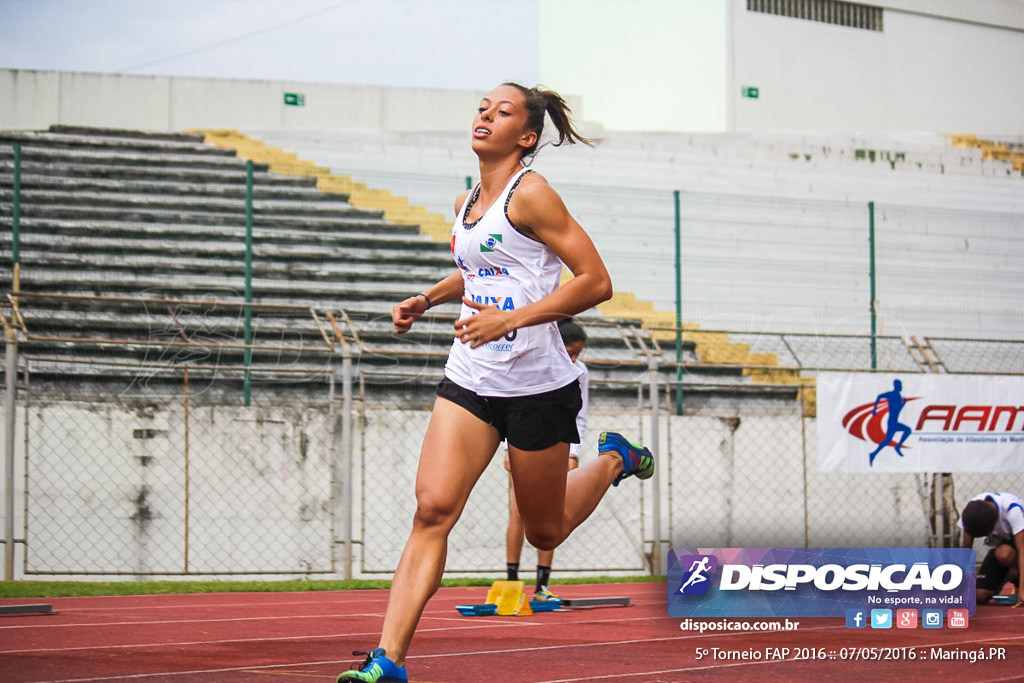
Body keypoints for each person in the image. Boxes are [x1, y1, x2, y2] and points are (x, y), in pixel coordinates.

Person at [337, 82, 655, 683]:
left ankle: (614, 459)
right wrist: (427, 299)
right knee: (432, 508)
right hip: (472, 376)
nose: (485, 115)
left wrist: (512, 318)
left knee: (546, 528)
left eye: (502, 112)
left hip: (538, 387)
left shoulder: (532, 195)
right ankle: (389, 661)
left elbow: (595, 281)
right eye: (483, 107)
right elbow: (478, 268)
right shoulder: (465, 202)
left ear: (526, 136)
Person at [504, 318, 589, 601]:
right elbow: (508, 402)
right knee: (517, 512)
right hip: (523, 442)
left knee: (550, 516)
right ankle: (512, 582)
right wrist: (506, 447)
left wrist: (574, 453)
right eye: (570, 351)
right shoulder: (531, 362)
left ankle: (541, 585)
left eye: (578, 353)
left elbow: (581, 415)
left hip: (558, 443)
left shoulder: (579, 372)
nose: (574, 358)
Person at [957, 491, 1024, 607]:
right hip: (1005, 545)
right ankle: (1013, 572)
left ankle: (1018, 578)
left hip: (1019, 542)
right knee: (979, 596)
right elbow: (966, 551)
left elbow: (1022, 550)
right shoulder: (971, 513)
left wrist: (1023, 591)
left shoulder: (1012, 509)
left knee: (1004, 554)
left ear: (994, 525)